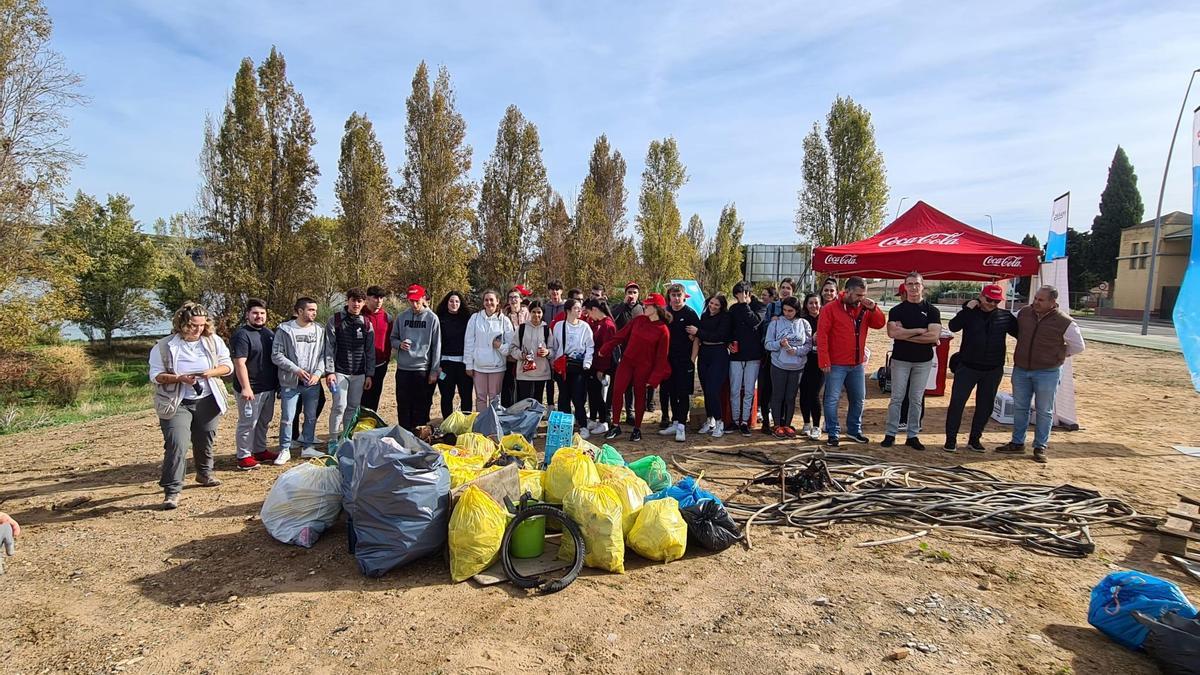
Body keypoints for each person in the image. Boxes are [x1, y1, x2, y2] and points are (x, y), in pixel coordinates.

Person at [149, 302, 233, 509]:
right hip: (176, 402)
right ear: (181, 324)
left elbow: (227, 366)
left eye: (202, 325)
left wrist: (210, 373)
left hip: (207, 398)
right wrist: (179, 378)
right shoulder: (164, 346)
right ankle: (172, 490)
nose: (198, 330)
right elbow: (156, 376)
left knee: (205, 437)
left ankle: (204, 474)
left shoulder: (213, 342)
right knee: (177, 442)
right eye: (193, 325)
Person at [995, 285, 1085, 463]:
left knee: (1044, 410)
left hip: (1048, 372)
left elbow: (1078, 346)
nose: (1036, 302)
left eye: (1041, 300)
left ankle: (1040, 446)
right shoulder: (1024, 313)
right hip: (1021, 369)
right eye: (1035, 298)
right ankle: (1017, 442)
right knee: (1020, 407)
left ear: (1053, 302)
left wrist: (1059, 354)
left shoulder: (1065, 322)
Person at [943, 284, 1019, 452]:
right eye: (989, 299)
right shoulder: (969, 314)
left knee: (985, 406)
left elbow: (1022, 334)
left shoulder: (1005, 317)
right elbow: (953, 326)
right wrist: (967, 309)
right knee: (957, 403)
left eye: (996, 301)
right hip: (967, 367)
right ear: (981, 297)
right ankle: (951, 439)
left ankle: (975, 439)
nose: (992, 303)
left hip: (993, 369)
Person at [817, 277, 886, 447]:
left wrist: (874, 308)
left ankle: (855, 430)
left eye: (863, 295)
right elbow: (822, 335)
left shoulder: (864, 307)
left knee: (859, 398)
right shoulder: (830, 309)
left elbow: (879, 324)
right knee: (832, 399)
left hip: (856, 364)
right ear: (846, 292)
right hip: (835, 364)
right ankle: (833, 432)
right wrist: (824, 360)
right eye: (858, 295)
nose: (861, 298)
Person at [881, 272, 942, 451]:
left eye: (917, 284)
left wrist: (906, 334)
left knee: (916, 399)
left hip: (922, 362)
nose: (914, 287)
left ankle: (912, 435)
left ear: (923, 286)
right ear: (905, 287)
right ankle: (891, 433)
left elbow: (933, 335)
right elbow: (893, 333)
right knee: (897, 398)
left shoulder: (932, 311)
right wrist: (919, 331)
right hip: (900, 360)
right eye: (910, 284)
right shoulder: (896, 310)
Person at [601, 293, 671, 442]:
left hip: (644, 367)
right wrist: (606, 348)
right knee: (617, 390)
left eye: (648, 305)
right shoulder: (638, 320)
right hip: (626, 361)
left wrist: (654, 379)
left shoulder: (663, 330)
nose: (644, 306)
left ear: (657, 308)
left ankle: (637, 429)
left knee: (640, 396)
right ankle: (615, 425)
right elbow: (621, 335)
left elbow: (661, 358)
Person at [272, 297, 327, 464]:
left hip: (312, 382)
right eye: (310, 310)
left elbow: (324, 355)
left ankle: (307, 446)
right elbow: (277, 355)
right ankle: (284, 448)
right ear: (300, 311)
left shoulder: (319, 330)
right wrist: (295, 370)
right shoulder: (285, 330)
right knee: (288, 416)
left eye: (315, 310)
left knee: (310, 416)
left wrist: (318, 373)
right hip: (290, 382)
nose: (314, 313)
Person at [325, 288, 376, 448]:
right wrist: (330, 371)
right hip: (340, 371)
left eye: (359, 301)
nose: (356, 304)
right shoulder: (336, 320)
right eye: (353, 300)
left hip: (359, 373)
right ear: (348, 301)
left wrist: (369, 374)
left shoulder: (367, 323)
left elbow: (370, 351)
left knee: (353, 407)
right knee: (339, 406)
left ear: (363, 303)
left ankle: (345, 438)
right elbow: (329, 347)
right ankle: (333, 439)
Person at [230, 298, 277, 470]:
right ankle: (244, 456)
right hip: (251, 389)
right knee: (248, 422)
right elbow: (239, 363)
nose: (259, 316)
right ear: (247, 315)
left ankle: (259, 450)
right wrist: (246, 387)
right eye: (255, 313)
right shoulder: (241, 336)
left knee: (264, 421)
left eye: (262, 313)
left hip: (268, 387)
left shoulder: (268, 334)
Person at [392, 284, 441, 431]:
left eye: (417, 301)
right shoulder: (401, 317)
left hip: (422, 370)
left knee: (421, 406)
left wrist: (434, 371)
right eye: (411, 301)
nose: (414, 304)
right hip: (403, 369)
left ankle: (420, 436)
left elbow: (436, 346)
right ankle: (404, 434)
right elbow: (393, 338)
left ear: (423, 298)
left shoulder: (432, 318)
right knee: (403, 405)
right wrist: (400, 344)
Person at [765, 296, 813, 439]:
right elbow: (767, 344)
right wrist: (779, 344)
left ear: (797, 310)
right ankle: (777, 424)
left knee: (790, 397)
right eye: (785, 310)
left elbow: (809, 345)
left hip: (797, 366)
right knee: (777, 395)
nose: (787, 313)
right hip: (778, 365)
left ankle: (787, 424)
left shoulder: (804, 324)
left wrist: (797, 351)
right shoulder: (775, 324)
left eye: (790, 310)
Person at [658, 283, 700, 442]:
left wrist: (692, 359)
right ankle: (675, 422)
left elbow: (697, 338)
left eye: (679, 296)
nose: (676, 299)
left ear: (684, 297)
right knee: (671, 391)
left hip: (685, 360)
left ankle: (682, 426)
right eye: (673, 296)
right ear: (669, 297)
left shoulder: (690, 314)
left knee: (683, 393)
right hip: (668, 360)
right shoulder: (665, 313)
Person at [688, 293, 732, 437]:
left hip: (718, 353)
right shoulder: (705, 315)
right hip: (704, 353)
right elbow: (699, 333)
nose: (713, 307)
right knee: (706, 389)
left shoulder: (725, 318)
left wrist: (699, 332)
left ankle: (720, 422)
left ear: (721, 307)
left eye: (716, 305)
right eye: (711, 303)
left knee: (713, 389)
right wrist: (695, 335)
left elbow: (720, 336)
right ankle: (710, 419)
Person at [550, 297, 595, 436]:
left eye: (580, 308)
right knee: (564, 397)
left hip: (579, 366)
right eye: (576, 308)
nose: (579, 311)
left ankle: (583, 425)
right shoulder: (559, 326)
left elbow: (590, 346)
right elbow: (555, 346)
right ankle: (565, 426)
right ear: (568, 310)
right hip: (562, 366)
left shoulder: (584, 327)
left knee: (578, 396)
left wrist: (587, 363)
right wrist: (553, 359)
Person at [758, 277, 797, 434]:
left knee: (784, 392)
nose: (785, 290)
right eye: (783, 287)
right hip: (770, 355)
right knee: (766, 389)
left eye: (788, 287)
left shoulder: (795, 306)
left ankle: (783, 422)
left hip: (789, 358)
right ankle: (767, 422)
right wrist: (773, 323)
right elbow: (763, 329)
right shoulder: (772, 307)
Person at [465, 289, 514, 411]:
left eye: (491, 300)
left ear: (497, 301)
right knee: (480, 398)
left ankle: (493, 425)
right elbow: (469, 342)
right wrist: (468, 365)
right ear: (483, 302)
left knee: (494, 398)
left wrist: (500, 347)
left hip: (497, 366)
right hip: (478, 366)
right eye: (486, 300)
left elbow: (511, 346)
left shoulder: (504, 320)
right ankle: (481, 424)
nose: (489, 303)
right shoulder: (475, 318)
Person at [728, 281, 763, 436]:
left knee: (749, 390)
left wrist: (744, 304)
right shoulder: (733, 308)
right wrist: (729, 342)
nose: (739, 298)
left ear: (748, 294)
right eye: (736, 296)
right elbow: (729, 328)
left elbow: (755, 321)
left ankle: (744, 421)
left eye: (741, 295)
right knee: (734, 389)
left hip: (753, 356)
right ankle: (735, 420)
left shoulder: (760, 306)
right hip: (736, 354)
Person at [611, 281, 648, 421]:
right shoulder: (619, 308)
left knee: (635, 383)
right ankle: (614, 412)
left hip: (639, 351)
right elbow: (611, 319)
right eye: (629, 292)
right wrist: (622, 305)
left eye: (634, 293)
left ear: (638, 295)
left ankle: (630, 412)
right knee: (621, 383)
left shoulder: (642, 308)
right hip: (622, 350)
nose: (631, 295)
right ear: (625, 294)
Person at [435, 290, 473, 419]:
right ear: (446, 303)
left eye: (457, 301)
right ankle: (447, 425)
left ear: (461, 303)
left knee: (466, 396)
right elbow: (435, 343)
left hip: (464, 365)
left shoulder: (468, 319)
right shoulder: (439, 319)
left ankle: (466, 424)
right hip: (445, 366)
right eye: (451, 301)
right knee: (446, 396)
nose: (454, 303)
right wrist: (437, 365)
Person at [583, 298, 617, 436]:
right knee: (593, 392)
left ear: (595, 310)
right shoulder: (597, 323)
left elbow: (607, 350)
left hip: (601, 366)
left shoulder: (608, 325)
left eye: (589, 312)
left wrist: (601, 370)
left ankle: (604, 421)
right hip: (594, 364)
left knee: (598, 394)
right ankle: (595, 418)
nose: (588, 316)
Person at [511, 300, 552, 403]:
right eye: (534, 312)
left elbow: (553, 350)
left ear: (542, 314)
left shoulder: (547, 329)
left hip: (541, 373)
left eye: (539, 312)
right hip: (524, 372)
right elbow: (513, 348)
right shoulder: (522, 328)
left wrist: (547, 352)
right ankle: (524, 419)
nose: (536, 315)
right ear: (529, 312)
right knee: (524, 402)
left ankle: (535, 419)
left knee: (537, 402)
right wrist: (521, 355)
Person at [360, 285, 392, 413]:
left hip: (380, 365)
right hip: (361, 365)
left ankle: (370, 426)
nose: (378, 301)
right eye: (375, 297)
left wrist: (386, 359)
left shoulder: (387, 317)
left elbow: (389, 340)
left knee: (374, 397)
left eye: (381, 298)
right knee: (359, 399)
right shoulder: (360, 315)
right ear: (367, 298)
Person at [797, 293, 824, 440]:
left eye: (816, 303)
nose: (814, 306)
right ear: (806, 305)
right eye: (810, 303)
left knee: (814, 394)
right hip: (804, 361)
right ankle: (806, 423)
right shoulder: (801, 320)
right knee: (804, 393)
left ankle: (816, 426)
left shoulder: (825, 318)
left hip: (819, 361)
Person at [500, 285, 532, 407]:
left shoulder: (528, 313)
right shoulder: (503, 315)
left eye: (516, 297)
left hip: (524, 356)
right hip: (508, 357)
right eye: (511, 297)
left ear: (521, 299)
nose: (513, 300)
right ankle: (506, 411)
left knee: (523, 387)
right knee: (508, 386)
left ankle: (523, 412)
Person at [544, 280, 566, 408]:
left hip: (563, 345)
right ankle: (550, 405)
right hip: (548, 344)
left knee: (562, 377)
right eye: (552, 289)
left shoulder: (566, 307)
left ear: (561, 291)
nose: (554, 292)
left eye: (557, 289)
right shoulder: (545, 307)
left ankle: (564, 404)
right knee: (549, 378)